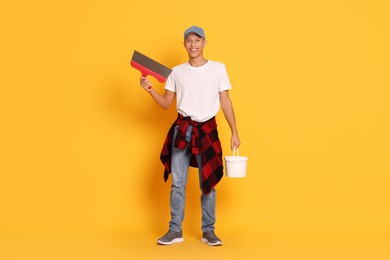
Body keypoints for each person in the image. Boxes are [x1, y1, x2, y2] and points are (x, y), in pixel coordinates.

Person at [139, 25, 241, 246]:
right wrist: (150, 89)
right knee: (178, 183)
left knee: (208, 182)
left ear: (205, 42)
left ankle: (209, 231)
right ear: (184, 44)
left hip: (207, 130)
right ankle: (175, 230)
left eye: (197, 40)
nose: (193, 44)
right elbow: (167, 103)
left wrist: (234, 131)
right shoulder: (176, 72)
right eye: (189, 41)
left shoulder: (218, 69)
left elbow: (225, 101)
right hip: (182, 131)